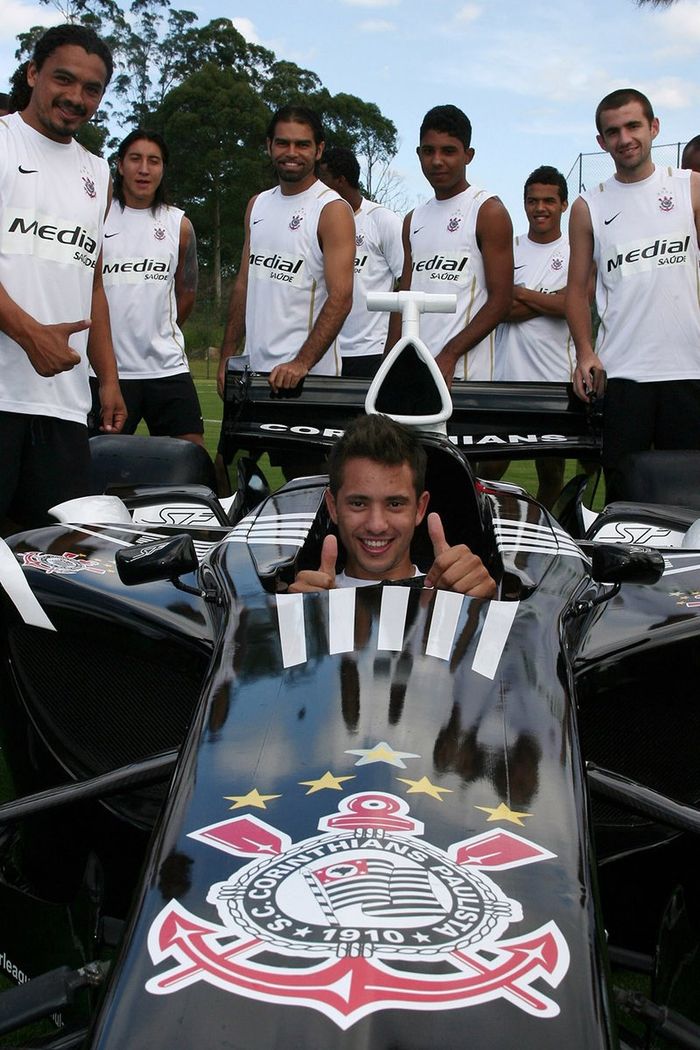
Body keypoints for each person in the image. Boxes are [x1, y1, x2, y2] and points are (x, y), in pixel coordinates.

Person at [0, 24, 126, 530]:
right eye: (63, 80)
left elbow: (91, 280)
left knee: (53, 567)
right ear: (33, 74)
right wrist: (31, 336)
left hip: (64, 407)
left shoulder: (98, 173)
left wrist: (109, 378)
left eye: (91, 89)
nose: (76, 98)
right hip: (3, 394)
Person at [566, 88, 700, 499]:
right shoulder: (589, 205)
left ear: (654, 127)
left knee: (690, 503)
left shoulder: (690, 187)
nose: (624, 138)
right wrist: (585, 352)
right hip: (623, 377)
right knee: (625, 502)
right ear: (600, 141)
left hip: (688, 371)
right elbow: (575, 289)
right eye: (612, 131)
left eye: (633, 126)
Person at [217, 104, 355, 396]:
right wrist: (227, 355)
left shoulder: (331, 209)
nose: (291, 152)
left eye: (302, 144)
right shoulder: (257, 205)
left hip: (307, 381)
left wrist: (300, 363)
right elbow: (243, 285)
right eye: (283, 143)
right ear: (269, 146)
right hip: (253, 376)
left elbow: (341, 298)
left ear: (318, 150)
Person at [289, 413, 496, 596]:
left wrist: (480, 609)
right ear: (333, 507)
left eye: (395, 504)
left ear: (420, 508)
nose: (377, 525)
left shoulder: (457, 592)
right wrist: (298, 617)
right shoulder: (308, 600)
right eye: (359, 503)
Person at [89, 129, 203, 445]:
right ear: (121, 164)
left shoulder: (178, 224)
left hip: (165, 369)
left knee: (192, 462)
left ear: (163, 168)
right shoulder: (97, 218)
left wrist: (159, 330)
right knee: (97, 469)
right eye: (135, 159)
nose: (144, 169)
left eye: (153, 161)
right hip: (106, 372)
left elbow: (188, 291)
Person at [387, 104, 513, 387]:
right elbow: (403, 297)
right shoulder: (413, 219)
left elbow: (502, 300)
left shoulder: (487, 211)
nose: (437, 161)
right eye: (428, 151)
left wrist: (450, 353)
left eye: (448, 151)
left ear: (468, 155)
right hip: (414, 371)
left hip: (464, 376)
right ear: (418, 154)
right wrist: (389, 363)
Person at [494, 166, 573, 508]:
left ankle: (539, 524)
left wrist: (519, 292)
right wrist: (551, 298)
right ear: (524, 203)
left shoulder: (577, 249)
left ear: (563, 205)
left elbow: (574, 304)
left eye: (549, 201)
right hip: (505, 378)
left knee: (552, 470)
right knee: (490, 464)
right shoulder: (508, 249)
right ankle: (492, 522)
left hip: (555, 379)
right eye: (532, 201)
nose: (540, 208)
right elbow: (498, 308)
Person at [318, 146, 403, 378]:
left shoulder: (382, 220)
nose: (316, 184)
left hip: (371, 352)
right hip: (325, 350)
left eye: (322, 178)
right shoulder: (320, 220)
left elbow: (405, 283)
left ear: (341, 181)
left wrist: (392, 348)